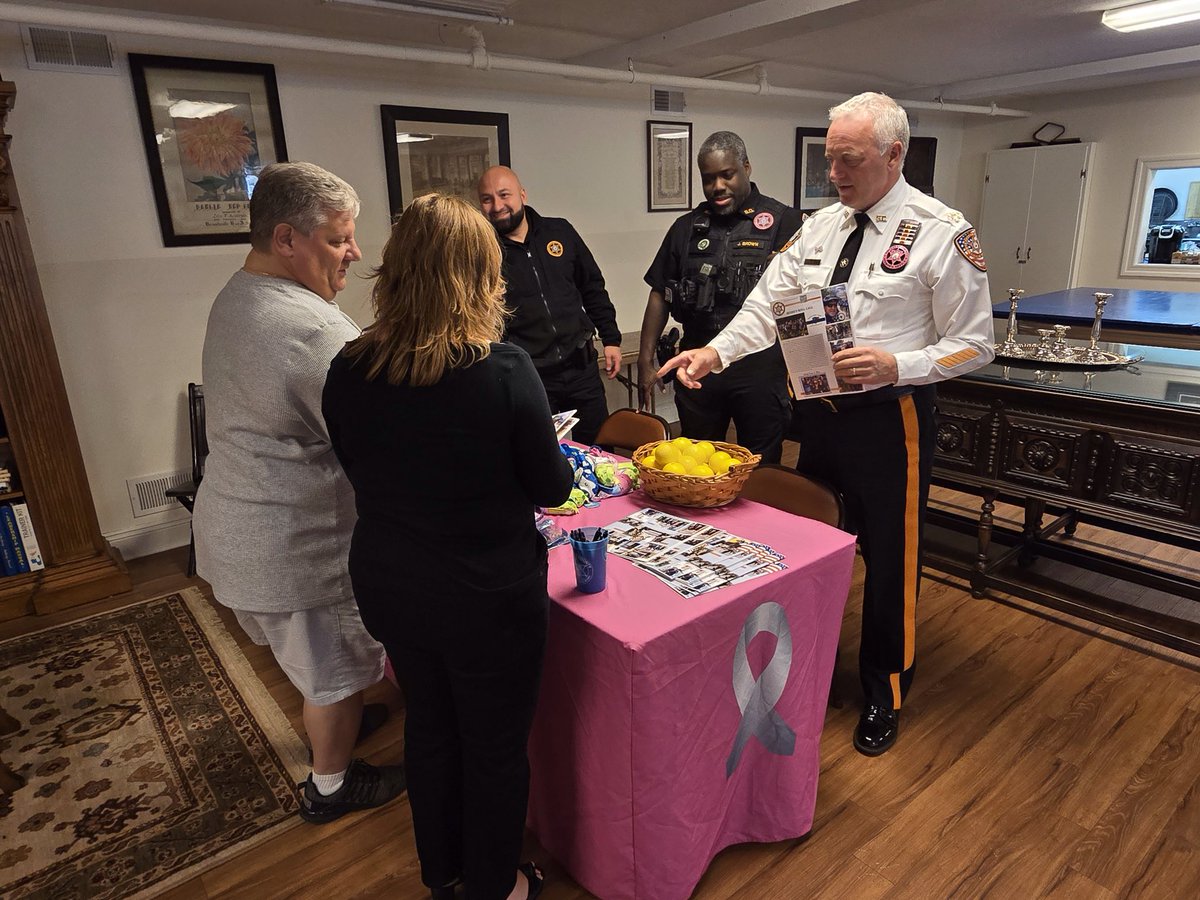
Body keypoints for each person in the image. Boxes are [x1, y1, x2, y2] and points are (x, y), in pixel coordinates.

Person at [658, 93, 995, 756]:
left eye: (849, 159)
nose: (834, 173)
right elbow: (766, 308)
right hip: (816, 415)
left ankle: (885, 690)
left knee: (891, 564)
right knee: (812, 551)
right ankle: (803, 673)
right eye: (829, 158)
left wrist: (898, 362)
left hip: (888, 418)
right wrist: (714, 350)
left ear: (893, 155)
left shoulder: (938, 230)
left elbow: (976, 343)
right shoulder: (818, 227)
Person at [322, 193, 573, 900]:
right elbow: (551, 489)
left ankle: (445, 875)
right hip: (486, 595)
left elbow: (357, 463)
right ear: (477, 276)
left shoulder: (348, 367)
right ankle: (495, 886)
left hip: (392, 583)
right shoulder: (502, 369)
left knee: (430, 730)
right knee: (494, 749)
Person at [193, 161, 406, 823]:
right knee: (333, 671)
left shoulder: (240, 290)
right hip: (293, 545)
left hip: (235, 525)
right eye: (340, 239)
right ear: (286, 239)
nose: (355, 252)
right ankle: (332, 785)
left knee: (317, 666)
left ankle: (334, 720)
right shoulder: (316, 331)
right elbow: (383, 444)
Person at [639, 131, 803, 463]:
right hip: (698, 363)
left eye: (727, 175)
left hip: (759, 367)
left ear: (746, 168)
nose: (718, 186)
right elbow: (660, 293)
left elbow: (800, 300)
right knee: (695, 463)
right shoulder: (685, 228)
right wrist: (645, 361)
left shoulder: (785, 221)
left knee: (760, 465)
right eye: (708, 178)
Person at [476, 165, 622, 446]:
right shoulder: (483, 252)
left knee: (600, 451)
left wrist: (611, 338)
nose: (497, 206)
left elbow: (592, 287)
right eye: (487, 199)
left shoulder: (560, 231)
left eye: (504, 195)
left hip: (581, 369)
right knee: (541, 455)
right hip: (531, 377)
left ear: (522, 194)